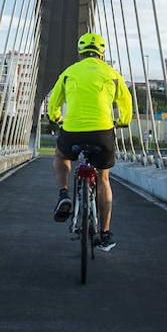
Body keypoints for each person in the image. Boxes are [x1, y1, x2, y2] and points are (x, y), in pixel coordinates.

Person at [46, 31, 132, 251]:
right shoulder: (112, 73)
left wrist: (57, 118)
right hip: (103, 132)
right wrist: (122, 121)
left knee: (61, 156)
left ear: (80, 52)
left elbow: (53, 103)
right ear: (102, 53)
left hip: (72, 129)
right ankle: (105, 233)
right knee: (103, 178)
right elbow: (126, 102)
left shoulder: (69, 72)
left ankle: (64, 193)